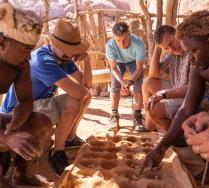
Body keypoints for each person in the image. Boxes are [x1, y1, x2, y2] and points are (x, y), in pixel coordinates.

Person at [1, 19, 92, 177]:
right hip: (11, 113)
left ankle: (68, 140)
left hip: (28, 109)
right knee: (73, 101)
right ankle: (56, 151)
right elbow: (80, 93)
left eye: (73, 49)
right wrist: (7, 137)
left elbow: (86, 87)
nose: (71, 54)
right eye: (25, 49)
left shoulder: (60, 58)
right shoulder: (43, 60)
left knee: (81, 99)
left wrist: (87, 60)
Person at [140, 10, 209, 174]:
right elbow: (185, 109)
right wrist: (160, 148)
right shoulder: (199, 70)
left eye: (193, 51)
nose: (190, 58)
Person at [0, 3, 53, 187]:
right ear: (2, 43)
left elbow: (25, 100)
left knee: (41, 122)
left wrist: (15, 123)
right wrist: (6, 138)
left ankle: (21, 174)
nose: (29, 57)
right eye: (25, 50)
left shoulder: (21, 64)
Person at [142, 25, 190, 132]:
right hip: (178, 88)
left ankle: (176, 137)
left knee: (154, 108)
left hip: (192, 96)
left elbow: (194, 89)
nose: (171, 49)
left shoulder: (192, 51)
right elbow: (153, 74)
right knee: (147, 83)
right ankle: (149, 127)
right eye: (166, 48)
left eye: (171, 43)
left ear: (178, 33)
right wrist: (157, 48)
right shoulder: (173, 53)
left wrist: (163, 94)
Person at [106, 22, 146, 130]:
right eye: (118, 40)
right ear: (114, 37)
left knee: (138, 84)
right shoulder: (110, 45)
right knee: (115, 84)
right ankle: (114, 115)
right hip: (118, 62)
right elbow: (113, 68)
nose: (121, 44)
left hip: (134, 62)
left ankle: (138, 116)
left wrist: (130, 82)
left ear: (129, 34)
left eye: (124, 40)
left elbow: (139, 68)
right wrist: (123, 83)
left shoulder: (139, 44)